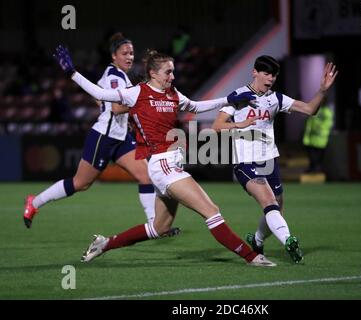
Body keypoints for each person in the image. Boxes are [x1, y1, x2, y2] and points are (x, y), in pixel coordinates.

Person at [53, 45, 276, 267]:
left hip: (168, 167)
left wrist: (229, 99)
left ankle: (104, 244)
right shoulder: (136, 92)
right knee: (212, 211)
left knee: (159, 228)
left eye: (173, 71)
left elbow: (196, 107)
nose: (173, 76)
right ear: (153, 73)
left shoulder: (173, 93)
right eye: (168, 72)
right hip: (163, 166)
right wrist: (72, 73)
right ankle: (252, 256)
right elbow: (100, 94)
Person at [23, 33, 178, 237]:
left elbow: (100, 97)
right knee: (81, 184)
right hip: (104, 137)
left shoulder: (117, 75)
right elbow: (115, 107)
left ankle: (154, 226)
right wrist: (141, 107)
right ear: (114, 56)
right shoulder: (115, 75)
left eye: (131, 53)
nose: (130, 57)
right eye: (124, 53)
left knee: (146, 175)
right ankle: (34, 202)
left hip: (121, 138)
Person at [212, 55, 338, 263]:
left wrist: (323, 90)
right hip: (245, 162)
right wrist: (238, 125)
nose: (270, 79)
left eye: (274, 75)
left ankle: (258, 239)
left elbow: (309, 110)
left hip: (270, 161)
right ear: (255, 72)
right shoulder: (238, 96)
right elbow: (217, 127)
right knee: (269, 202)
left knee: (276, 208)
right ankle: (289, 241)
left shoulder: (276, 98)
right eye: (266, 73)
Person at [302, 97, 334, 173]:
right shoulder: (315, 110)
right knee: (312, 156)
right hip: (311, 138)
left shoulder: (327, 112)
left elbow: (328, 124)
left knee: (318, 157)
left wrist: (319, 128)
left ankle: (316, 169)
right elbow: (309, 122)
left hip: (321, 139)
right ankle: (313, 168)